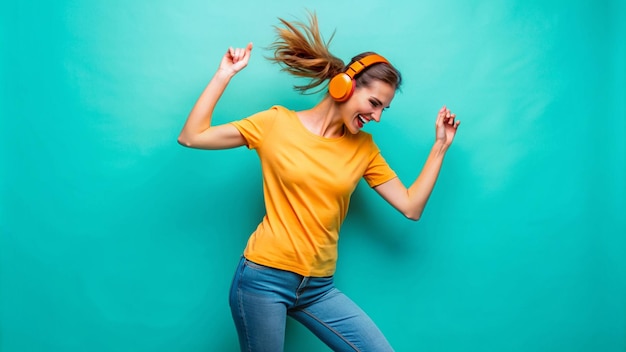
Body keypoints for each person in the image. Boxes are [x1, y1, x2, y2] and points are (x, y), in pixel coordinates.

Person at [178, 12, 460, 352]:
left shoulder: (364, 149)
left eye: (383, 109)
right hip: (263, 279)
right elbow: (192, 136)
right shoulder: (275, 124)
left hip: (318, 287)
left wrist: (440, 147)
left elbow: (411, 207)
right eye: (373, 103)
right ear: (345, 85)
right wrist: (225, 74)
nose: (377, 117)